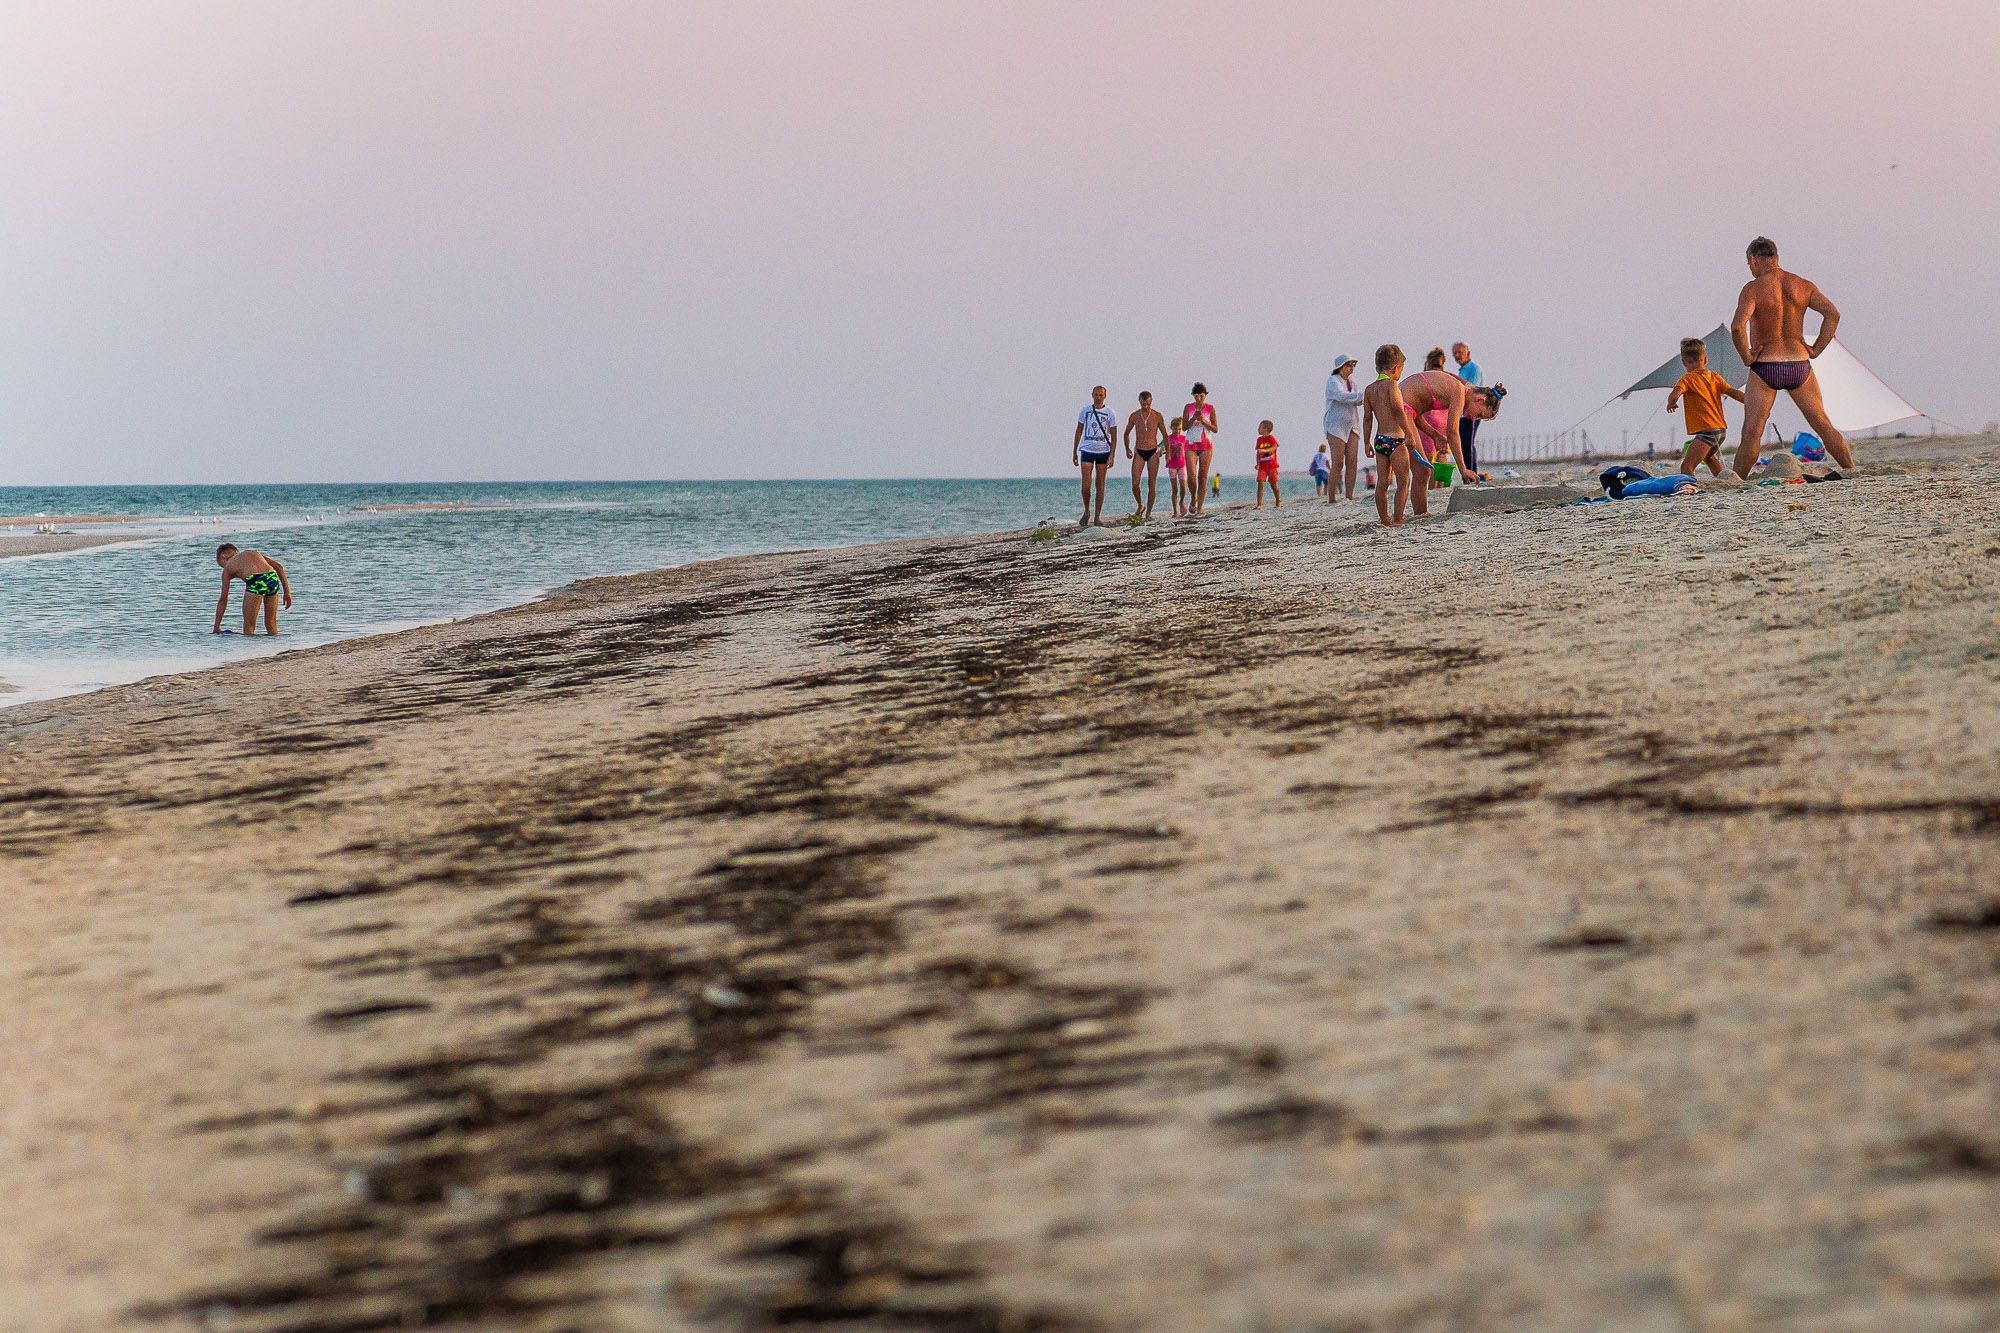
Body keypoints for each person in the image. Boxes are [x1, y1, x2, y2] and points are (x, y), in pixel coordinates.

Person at [1729, 237, 1857, 478]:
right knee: (1822, 424)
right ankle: (1850, 470)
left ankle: (1737, 481)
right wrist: (1817, 348)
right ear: (1776, 257)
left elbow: (1737, 327)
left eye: (1749, 265)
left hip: (1765, 366)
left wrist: (1746, 356)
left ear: (1753, 260)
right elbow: (1833, 314)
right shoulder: (1803, 285)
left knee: (1752, 432)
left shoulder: (1753, 289)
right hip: (1799, 365)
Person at [1399, 366, 1506, 515]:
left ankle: (1419, 515)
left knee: (1422, 471)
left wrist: (1434, 434)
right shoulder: (1459, 392)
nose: (1474, 419)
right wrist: (1463, 469)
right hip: (1402, 409)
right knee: (1422, 471)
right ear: (1480, 399)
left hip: (1406, 410)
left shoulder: (1457, 389)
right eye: (1479, 414)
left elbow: (1417, 412)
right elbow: (1452, 433)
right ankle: (1418, 516)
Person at [1666, 336, 1743, 476]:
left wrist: (1672, 402)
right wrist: (1749, 401)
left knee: (1687, 467)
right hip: (1720, 430)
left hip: (1707, 432)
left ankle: (1688, 488)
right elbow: (1732, 392)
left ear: (1684, 363)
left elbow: (1676, 392)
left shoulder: (1687, 379)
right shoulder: (1714, 376)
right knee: (1708, 457)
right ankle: (1723, 479)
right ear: (1705, 359)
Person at [1362, 345, 1419, 528]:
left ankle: (1384, 520)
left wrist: (1366, 443)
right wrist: (1410, 434)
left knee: (1382, 482)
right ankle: (1398, 518)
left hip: (1380, 441)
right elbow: (1398, 410)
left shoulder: (1369, 390)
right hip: (1396, 439)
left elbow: (1367, 418)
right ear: (1395, 368)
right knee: (1404, 480)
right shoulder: (1392, 386)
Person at [213, 543, 292, 636]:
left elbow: (223, 599)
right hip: (272, 578)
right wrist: (287, 593)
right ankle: (275, 646)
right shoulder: (253, 553)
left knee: (249, 626)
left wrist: (216, 626)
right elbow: (279, 567)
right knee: (271, 623)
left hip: (256, 580)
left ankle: (250, 649)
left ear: (223, 557)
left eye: (221, 565)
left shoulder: (228, 566)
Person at [1072, 385, 1117, 526]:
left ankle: (1097, 516)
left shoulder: (1110, 413)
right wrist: (1074, 451)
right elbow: (1079, 430)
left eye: (1101, 395)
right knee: (1086, 485)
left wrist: (1112, 455)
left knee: (1100, 485)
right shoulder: (1085, 410)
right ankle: (1086, 511)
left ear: (1105, 396)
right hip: (1087, 450)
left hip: (1103, 451)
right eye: (1096, 395)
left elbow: (1114, 436)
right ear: (1092, 395)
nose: (1098, 397)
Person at [1323, 355, 1365, 503]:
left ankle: (1349, 496)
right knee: (1338, 462)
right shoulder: (1333, 382)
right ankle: (1332, 498)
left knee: (1352, 461)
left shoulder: (1353, 383)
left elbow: (1356, 400)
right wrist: (1363, 395)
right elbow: (1342, 396)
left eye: (1353, 365)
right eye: (1348, 365)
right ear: (1340, 367)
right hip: (1336, 426)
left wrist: (1365, 398)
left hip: (1352, 424)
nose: (1351, 368)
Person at [1123, 390, 1168, 521]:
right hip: (1139, 452)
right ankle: (1140, 504)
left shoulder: (1157, 415)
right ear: (1140, 401)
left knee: (1151, 484)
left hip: (1153, 451)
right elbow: (1126, 433)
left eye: (1148, 403)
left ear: (1151, 401)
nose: (1145, 406)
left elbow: (1165, 435)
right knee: (1135, 483)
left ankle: (1148, 513)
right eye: (1143, 403)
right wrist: (1127, 449)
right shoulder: (1134, 416)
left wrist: (1167, 453)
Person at [1182, 383, 1219, 514]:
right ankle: (1193, 498)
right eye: (1196, 396)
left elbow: (1215, 429)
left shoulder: (1210, 408)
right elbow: (1184, 427)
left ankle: (1200, 506)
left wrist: (1204, 421)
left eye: (1201, 396)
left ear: (1205, 396)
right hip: (1191, 444)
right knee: (1191, 476)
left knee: (1202, 476)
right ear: (1193, 396)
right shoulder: (1188, 407)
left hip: (1206, 445)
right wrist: (1193, 418)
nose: (1199, 399)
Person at [1452, 342, 1485, 475]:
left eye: (1460, 352)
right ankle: (1470, 474)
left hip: (1472, 412)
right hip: (1461, 413)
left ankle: (1471, 474)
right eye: (1455, 353)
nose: (1457, 356)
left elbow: (1472, 390)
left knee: (1467, 444)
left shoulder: (1474, 369)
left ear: (1468, 353)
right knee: (1464, 444)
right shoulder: (1462, 370)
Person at [1164, 417, 1191, 517]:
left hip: (1182, 465)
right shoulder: (1168, 439)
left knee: (1183, 487)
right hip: (1172, 466)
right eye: (1176, 429)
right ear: (1171, 428)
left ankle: (1182, 502)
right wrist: (1172, 449)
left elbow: (1189, 451)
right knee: (1174, 489)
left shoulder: (1184, 439)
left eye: (1179, 429)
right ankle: (1175, 511)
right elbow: (1162, 450)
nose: (1178, 431)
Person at [1253, 421, 1282, 508]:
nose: (1258, 429)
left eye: (1260, 427)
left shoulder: (1271, 438)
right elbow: (1258, 453)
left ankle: (1278, 499)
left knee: (1273, 485)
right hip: (1262, 466)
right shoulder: (1259, 440)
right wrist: (1257, 463)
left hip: (1272, 466)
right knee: (1260, 483)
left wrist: (1264, 451)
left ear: (1265, 429)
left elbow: (1274, 448)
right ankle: (1259, 504)